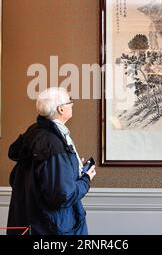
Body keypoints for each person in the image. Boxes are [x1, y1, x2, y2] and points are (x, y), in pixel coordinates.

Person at [7, 87, 96, 235]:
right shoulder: (53, 142)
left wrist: (72, 166)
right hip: (53, 227)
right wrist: (86, 179)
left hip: (32, 222)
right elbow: (62, 195)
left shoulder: (35, 132)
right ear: (61, 109)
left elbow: (41, 178)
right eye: (70, 102)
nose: (72, 104)